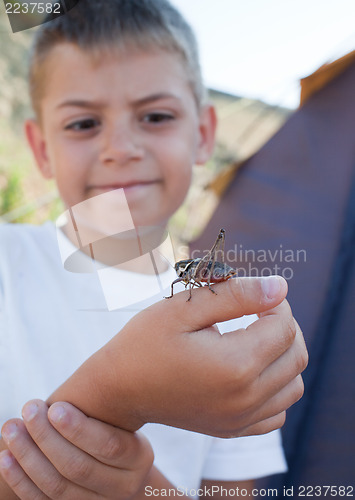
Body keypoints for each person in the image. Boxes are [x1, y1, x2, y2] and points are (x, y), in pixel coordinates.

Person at [0, 0, 308, 498]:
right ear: (40, 150)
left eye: (156, 116)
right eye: (84, 123)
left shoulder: (236, 334)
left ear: (204, 135)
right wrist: (119, 395)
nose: (120, 147)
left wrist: (140, 487)